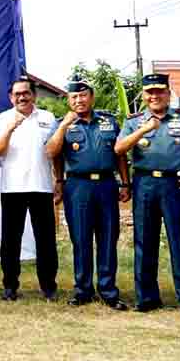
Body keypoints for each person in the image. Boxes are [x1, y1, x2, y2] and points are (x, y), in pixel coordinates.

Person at [115, 73, 180, 317]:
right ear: (144, 96)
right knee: (145, 241)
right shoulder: (134, 121)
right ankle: (146, 298)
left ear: (168, 93)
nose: (155, 96)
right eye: (150, 92)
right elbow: (119, 149)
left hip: (176, 185)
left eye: (160, 91)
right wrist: (144, 129)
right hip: (144, 184)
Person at [45, 78, 130, 310]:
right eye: (74, 97)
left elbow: (120, 154)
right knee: (81, 239)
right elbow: (51, 152)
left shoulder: (109, 122)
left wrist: (125, 183)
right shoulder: (63, 124)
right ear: (69, 101)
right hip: (78, 187)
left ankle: (108, 290)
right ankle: (82, 289)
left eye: (83, 96)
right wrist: (63, 127)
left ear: (91, 97)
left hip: (106, 185)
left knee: (108, 238)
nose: (79, 100)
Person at [0, 76, 59, 302]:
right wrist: (10, 128)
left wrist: (59, 180)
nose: (22, 97)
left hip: (42, 186)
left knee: (46, 239)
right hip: (13, 188)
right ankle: (10, 286)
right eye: (17, 94)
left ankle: (48, 286)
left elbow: (56, 152)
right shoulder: (2, 119)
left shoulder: (48, 118)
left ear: (34, 95)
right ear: (11, 97)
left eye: (25, 93)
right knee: (11, 240)